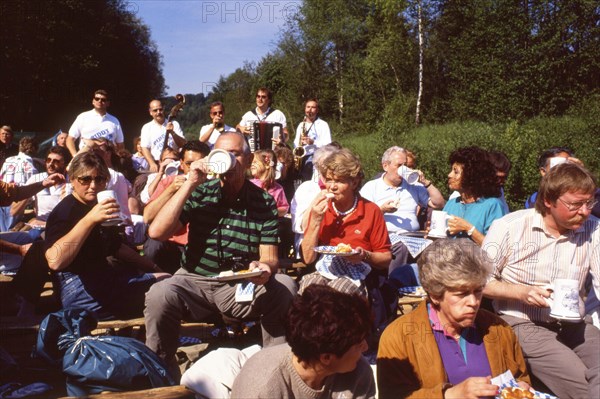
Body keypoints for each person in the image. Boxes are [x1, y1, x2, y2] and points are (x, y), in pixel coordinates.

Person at [144, 132, 297, 377]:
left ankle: (274, 369)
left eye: (234, 153)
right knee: (159, 293)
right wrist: (190, 183)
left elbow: (270, 257)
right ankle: (161, 371)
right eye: (221, 153)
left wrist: (265, 268)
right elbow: (157, 232)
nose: (227, 159)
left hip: (239, 284)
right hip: (194, 280)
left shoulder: (264, 202)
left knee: (286, 285)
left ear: (248, 161)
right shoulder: (200, 192)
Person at [482, 162, 599, 399]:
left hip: (574, 322)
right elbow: (477, 281)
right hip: (522, 321)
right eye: (575, 204)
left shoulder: (593, 229)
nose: (585, 211)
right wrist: (520, 293)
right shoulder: (510, 227)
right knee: (581, 385)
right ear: (548, 200)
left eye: (590, 203)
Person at [377, 239, 531, 399]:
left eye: (478, 291)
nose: (474, 302)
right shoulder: (399, 337)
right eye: (462, 294)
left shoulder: (498, 329)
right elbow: (392, 395)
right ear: (435, 295)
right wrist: (449, 395)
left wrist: (521, 388)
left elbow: (520, 377)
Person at [44, 152, 169, 320]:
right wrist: (90, 220)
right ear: (73, 180)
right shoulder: (65, 211)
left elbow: (116, 247)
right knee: (165, 296)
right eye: (85, 179)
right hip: (78, 292)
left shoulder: (96, 205)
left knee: (167, 281)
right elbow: (55, 261)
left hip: (105, 282)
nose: (93, 185)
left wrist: (154, 269)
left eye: (100, 179)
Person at [231, 284, 376, 399]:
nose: (366, 347)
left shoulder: (358, 373)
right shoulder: (262, 387)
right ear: (326, 357)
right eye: (358, 344)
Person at [300, 148, 392, 296]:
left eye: (339, 181)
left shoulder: (370, 210)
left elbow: (386, 258)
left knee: (338, 292)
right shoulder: (321, 208)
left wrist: (365, 255)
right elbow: (308, 258)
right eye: (329, 180)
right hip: (326, 268)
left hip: (360, 274)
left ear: (354, 183)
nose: (332, 186)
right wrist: (316, 220)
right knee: (308, 287)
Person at [360, 146, 445, 270]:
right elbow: (361, 216)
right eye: (399, 165)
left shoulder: (413, 186)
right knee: (401, 247)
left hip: (414, 236)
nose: (403, 170)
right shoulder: (371, 187)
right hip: (385, 237)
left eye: (406, 166)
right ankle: (393, 285)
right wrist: (381, 210)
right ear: (385, 166)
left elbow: (439, 204)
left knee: (438, 248)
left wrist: (425, 182)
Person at [143, 141, 210, 273]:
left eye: (199, 163)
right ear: (181, 164)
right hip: (170, 243)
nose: (194, 169)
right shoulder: (170, 182)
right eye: (189, 164)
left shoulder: (213, 186)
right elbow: (147, 217)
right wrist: (171, 190)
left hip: (200, 245)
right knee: (153, 244)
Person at [442, 146, 506, 246]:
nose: (449, 175)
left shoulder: (492, 206)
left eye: (456, 171)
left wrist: (469, 229)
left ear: (471, 175)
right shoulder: (451, 204)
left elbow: (497, 248)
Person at [10, 146, 71, 230]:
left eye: (56, 161)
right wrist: (30, 190)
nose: (51, 164)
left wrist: (43, 223)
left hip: (61, 229)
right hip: (38, 229)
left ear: (65, 164)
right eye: (48, 160)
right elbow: (13, 211)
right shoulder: (36, 179)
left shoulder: (72, 182)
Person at [66, 89, 125, 156]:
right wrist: (75, 156)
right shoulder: (83, 117)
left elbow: (120, 144)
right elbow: (70, 139)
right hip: (86, 158)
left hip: (107, 159)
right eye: (97, 99)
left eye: (103, 100)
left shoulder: (114, 120)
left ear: (108, 103)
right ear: (93, 101)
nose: (99, 101)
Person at [0, 137, 40, 231]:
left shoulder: (8, 160)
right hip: (17, 200)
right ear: (33, 149)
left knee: (2, 230)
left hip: (3, 195)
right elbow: (32, 188)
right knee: (9, 232)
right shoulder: (32, 166)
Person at [140, 99, 186, 172]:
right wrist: (152, 163)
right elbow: (145, 148)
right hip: (157, 163)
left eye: (160, 109)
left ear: (163, 109)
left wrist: (172, 133)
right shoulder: (146, 127)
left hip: (175, 161)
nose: (158, 112)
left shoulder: (174, 124)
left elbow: (183, 144)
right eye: (155, 110)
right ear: (150, 112)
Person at [293, 98, 332, 181]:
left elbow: (328, 144)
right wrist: (299, 147)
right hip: (303, 157)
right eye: (308, 107)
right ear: (305, 109)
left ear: (317, 110)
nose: (310, 110)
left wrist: (313, 142)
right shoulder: (301, 125)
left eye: (313, 107)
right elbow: (296, 142)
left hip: (317, 157)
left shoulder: (323, 124)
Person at [249, 149, 289, 217]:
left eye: (255, 162)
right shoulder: (249, 184)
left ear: (267, 164)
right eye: (251, 162)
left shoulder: (278, 188)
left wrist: (271, 212)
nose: (251, 164)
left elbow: (284, 208)